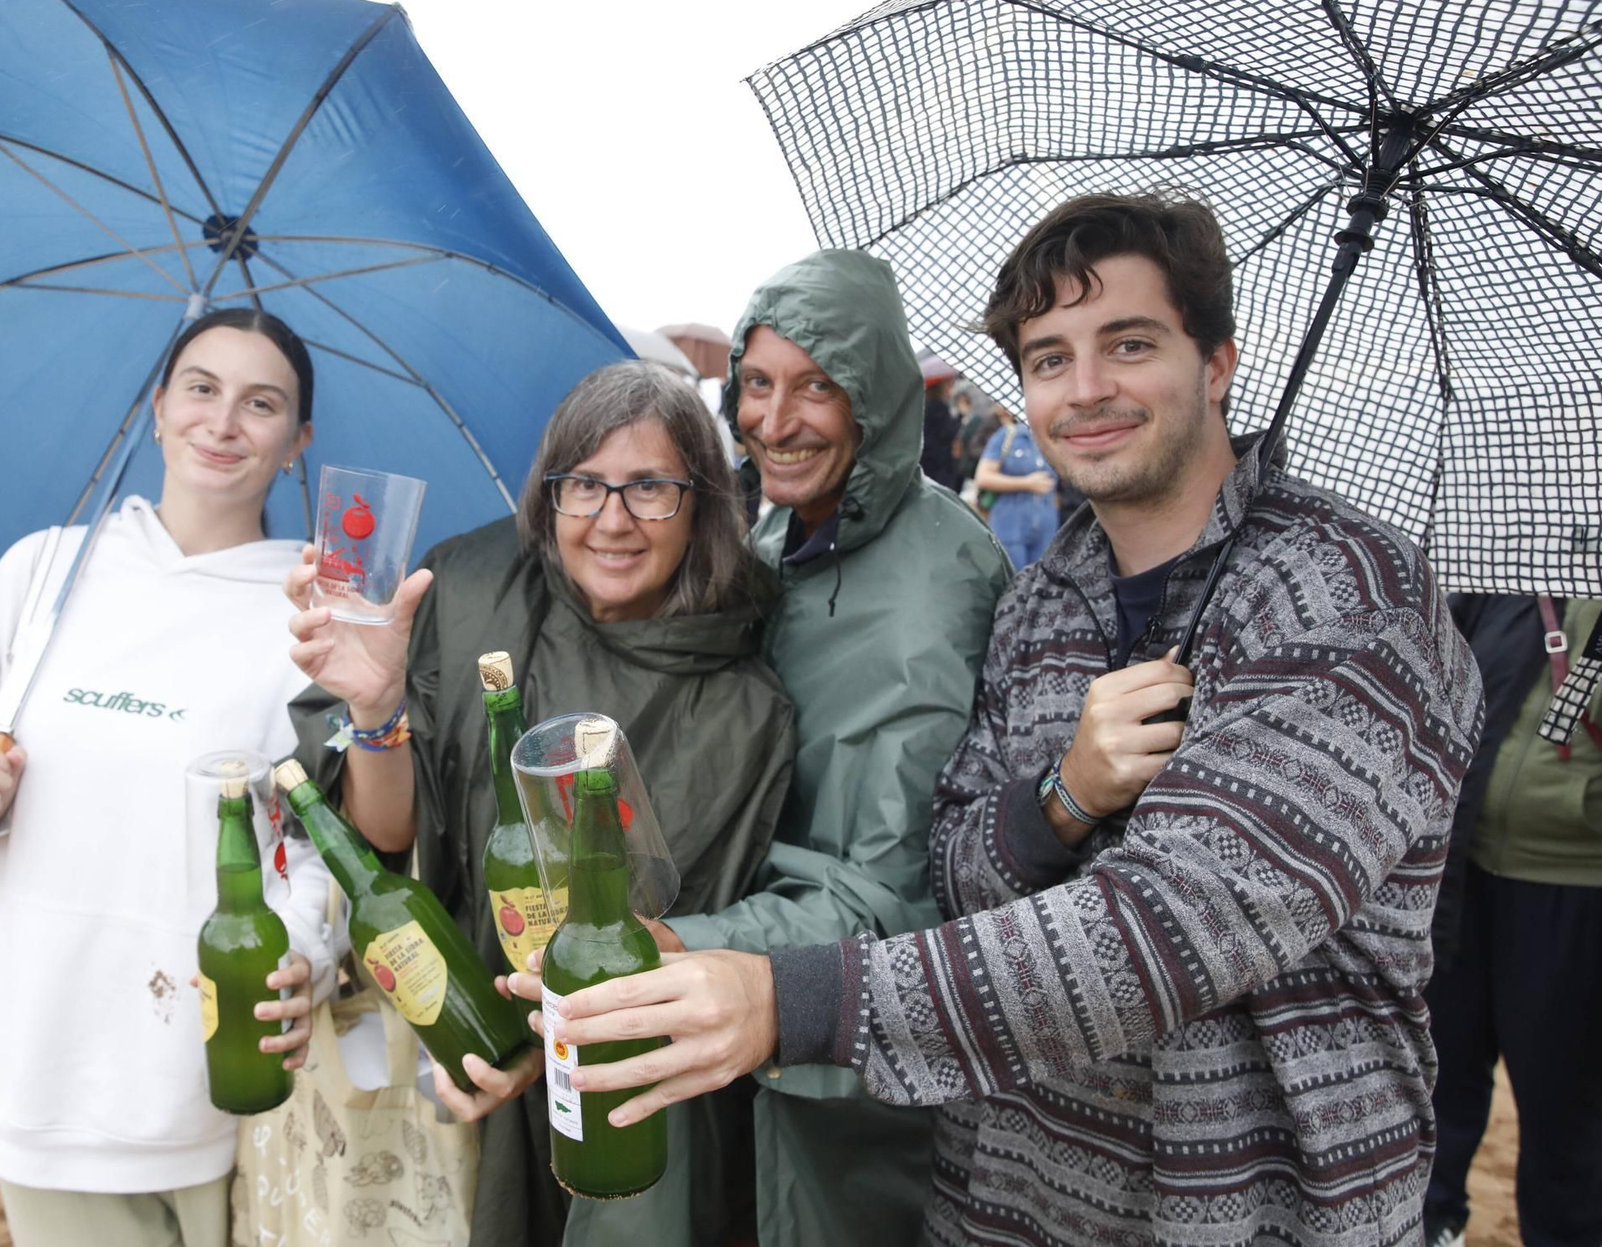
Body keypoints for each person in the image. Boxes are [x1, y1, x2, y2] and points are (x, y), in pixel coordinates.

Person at [521, 194, 1484, 1245]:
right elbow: (958, 870)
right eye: (1047, 357)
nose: (1086, 389)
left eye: (1126, 343)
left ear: (1216, 361)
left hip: (1258, 1207)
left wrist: (788, 998)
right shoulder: (1041, 602)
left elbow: (1170, 930)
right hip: (1017, 1202)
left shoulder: (1342, 592)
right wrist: (1062, 798)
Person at [282, 360, 796, 1247]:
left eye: (650, 488)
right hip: (471, 1059)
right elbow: (384, 833)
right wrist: (376, 710)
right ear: (547, 493)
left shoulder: (745, 702)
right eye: (584, 485)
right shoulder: (473, 598)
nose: (612, 519)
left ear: (703, 501)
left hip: (645, 1090)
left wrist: (556, 1043)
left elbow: (686, 938)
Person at [0, 309, 340, 1246]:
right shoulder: (47, 569)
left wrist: (307, 953)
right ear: (157, 408)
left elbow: (321, 835)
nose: (223, 423)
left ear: (297, 444)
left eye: (262, 404)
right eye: (201, 389)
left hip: (224, 1065)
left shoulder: (313, 611)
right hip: (44, 1048)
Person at [627, 250, 1006, 1247]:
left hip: (844, 1075)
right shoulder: (774, 541)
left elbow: (890, 885)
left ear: (875, 401)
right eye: (756, 383)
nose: (774, 418)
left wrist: (681, 946)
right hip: (734, 1023)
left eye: (817, 387)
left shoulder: (933, 589)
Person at [1422, 595, 1602, 1247]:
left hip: (1575, 889)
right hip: (1457, 875)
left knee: (1566, 1114)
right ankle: (1430, 1223)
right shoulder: (1509, 577)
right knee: (1437, 1079)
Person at [972, 401, 1059, 567]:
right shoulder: (1006, 435)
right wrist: (1026, 483)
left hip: (1046, 522)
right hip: (1010, 521)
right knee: (1013, 578)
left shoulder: (1052, 438)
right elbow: (983, 477)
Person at [916, 352, 963, 492]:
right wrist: (960, 416)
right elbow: (946, 433)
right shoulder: (939, 407)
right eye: (949, 383)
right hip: (937, 463)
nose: (951, 387)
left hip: (926, 460)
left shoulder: (925, 404)